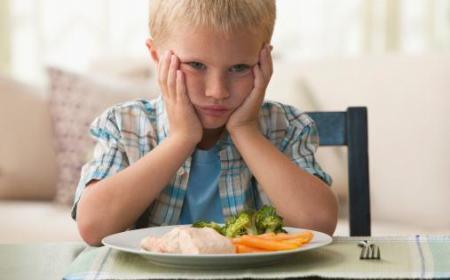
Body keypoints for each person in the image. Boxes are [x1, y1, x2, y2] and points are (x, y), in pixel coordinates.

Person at [73, 0, 338, 246]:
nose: (217, 91)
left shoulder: (287, 127)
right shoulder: (125, 125)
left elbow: (318, 225)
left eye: (239, 68)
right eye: (196, 65)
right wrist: (181, 138)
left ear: (264, 61)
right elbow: (94, 227)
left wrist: (246, 131)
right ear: (156, 57)